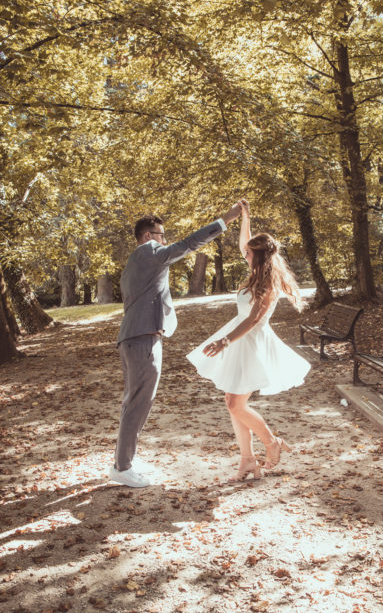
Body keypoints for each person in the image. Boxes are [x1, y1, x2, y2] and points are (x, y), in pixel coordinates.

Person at [109, 202, 243, 487]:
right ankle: (122, 468)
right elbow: (188, 244)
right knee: (138, 402)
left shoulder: (136, 262)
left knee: (133, 401)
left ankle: (124, 459)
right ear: (147, 237)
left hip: (134, 338)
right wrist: (226, 220)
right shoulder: (149, 251)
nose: (165, 241)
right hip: (143, 338)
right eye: (161, 236)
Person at [187, 200, 310, 481]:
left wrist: (224, 342)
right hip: (239, 341)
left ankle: (271, 442)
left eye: (250, 253)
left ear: (261, 257)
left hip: (251, 343)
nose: (245, 254)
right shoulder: (256, 270)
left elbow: (254, 319)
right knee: (233, 402)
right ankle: (247, 460)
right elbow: (245, 242)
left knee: (234, 404)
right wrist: (245, 216)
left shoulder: (268, 283)